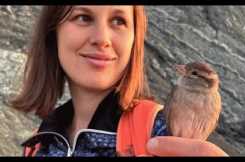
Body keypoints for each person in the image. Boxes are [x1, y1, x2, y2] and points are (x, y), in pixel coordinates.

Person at [10, 5, 228, 157]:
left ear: (135, 40)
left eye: (118, 21)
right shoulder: (39, 145)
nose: (102, 39)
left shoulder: (158, 129)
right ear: (53, 32)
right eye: (83, 17)